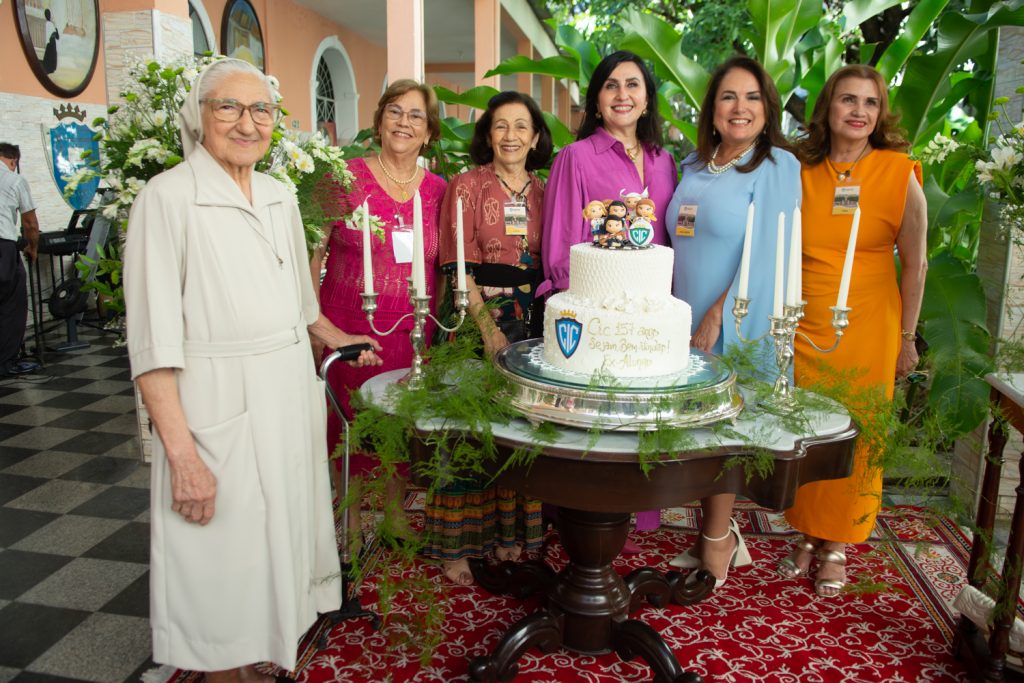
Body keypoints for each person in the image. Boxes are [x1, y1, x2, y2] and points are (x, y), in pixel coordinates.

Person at [124, 58, 381, 679]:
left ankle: (265, 642)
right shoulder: (167, 198)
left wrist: (336, 334)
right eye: (228, 108)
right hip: (214, 400)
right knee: (221, 552)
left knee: (281, 537)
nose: (248, 122)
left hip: (288, 393)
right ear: (199, 117)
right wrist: (181, 456)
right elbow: (152, 345)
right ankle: (220, 667)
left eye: (261, 109)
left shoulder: (278, 193)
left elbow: (300, 304)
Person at [780, 64, 927, 597]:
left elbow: (916, 263)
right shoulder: (799, 167)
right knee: (807, 429)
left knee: (859, 431)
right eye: (848, 100)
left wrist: (907, 338)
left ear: (880, 112)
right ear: (827, 108)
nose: (859, 111)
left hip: (869, 321)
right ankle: (807, 531)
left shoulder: (898, 171)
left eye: (869, 102)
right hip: (804, 319)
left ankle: (837, 543)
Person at [666, 56, 801, 587]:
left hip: (731, 317)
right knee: (698, 433)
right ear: (713, 108)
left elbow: (767, 252)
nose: (739, 107)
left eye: (751, 97)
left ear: (767, 110)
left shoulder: (776, 168)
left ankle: (719, 540)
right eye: (728, 96)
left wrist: (718, 315)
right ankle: (717, 535)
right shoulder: (695, 165)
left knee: (723, 432)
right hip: (684, 316)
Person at [541, 50, 677, 549]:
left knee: (638, 421)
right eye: (611, 86)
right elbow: (559, 243)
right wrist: (577, 309)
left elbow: (665, 238)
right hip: (592, 317)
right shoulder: (575, 158)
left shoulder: (665, 162)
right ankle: (581, 524)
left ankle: (633, 518)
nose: (623, 95)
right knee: (590, 429)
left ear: (647, 98)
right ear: (596, 101)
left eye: (633, 85)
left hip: (646, 316)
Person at [427, 91, 553, 585]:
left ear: (536, 136)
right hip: (475, 313)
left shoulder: (545, 191)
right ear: (487, 134)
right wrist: (487, 328)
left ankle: (508, 536)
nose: (511, 136)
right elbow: (456, 262)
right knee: (466, 434)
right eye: (501, 126)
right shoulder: (466, 186)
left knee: (519, 432)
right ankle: (455, 545)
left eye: (521, 126)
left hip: (533, 320)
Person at [314, 79, 446, 547]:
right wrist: (317, 327)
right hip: (347, 322)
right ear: (379, 120)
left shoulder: (438, 190)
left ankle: (392, 514)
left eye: (415, 115)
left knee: (398, 424)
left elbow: (444, 265)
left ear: (429, 131)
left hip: (411, 328)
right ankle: (349, 522)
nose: (404, 122)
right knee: (347, 426)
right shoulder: (342, 177)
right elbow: (312, 252)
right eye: (395, 111)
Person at [0, 143, 40, 378]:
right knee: (11, 306)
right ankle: (4, 363)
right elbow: (30, 223)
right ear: (13, 161)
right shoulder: (14, 180)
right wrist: (32, 247)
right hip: (3, 248)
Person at [42, 9, 59, 75]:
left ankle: (50, 68)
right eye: (48, 14)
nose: (48, 16)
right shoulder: (49, 24)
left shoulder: (49, 24)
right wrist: (55, 31)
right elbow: (55, 35)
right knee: (50, 55)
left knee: (50, 55)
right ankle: (50, 68)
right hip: (51, 42)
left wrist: (56, 30)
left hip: (51, 42)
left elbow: (56, 36)